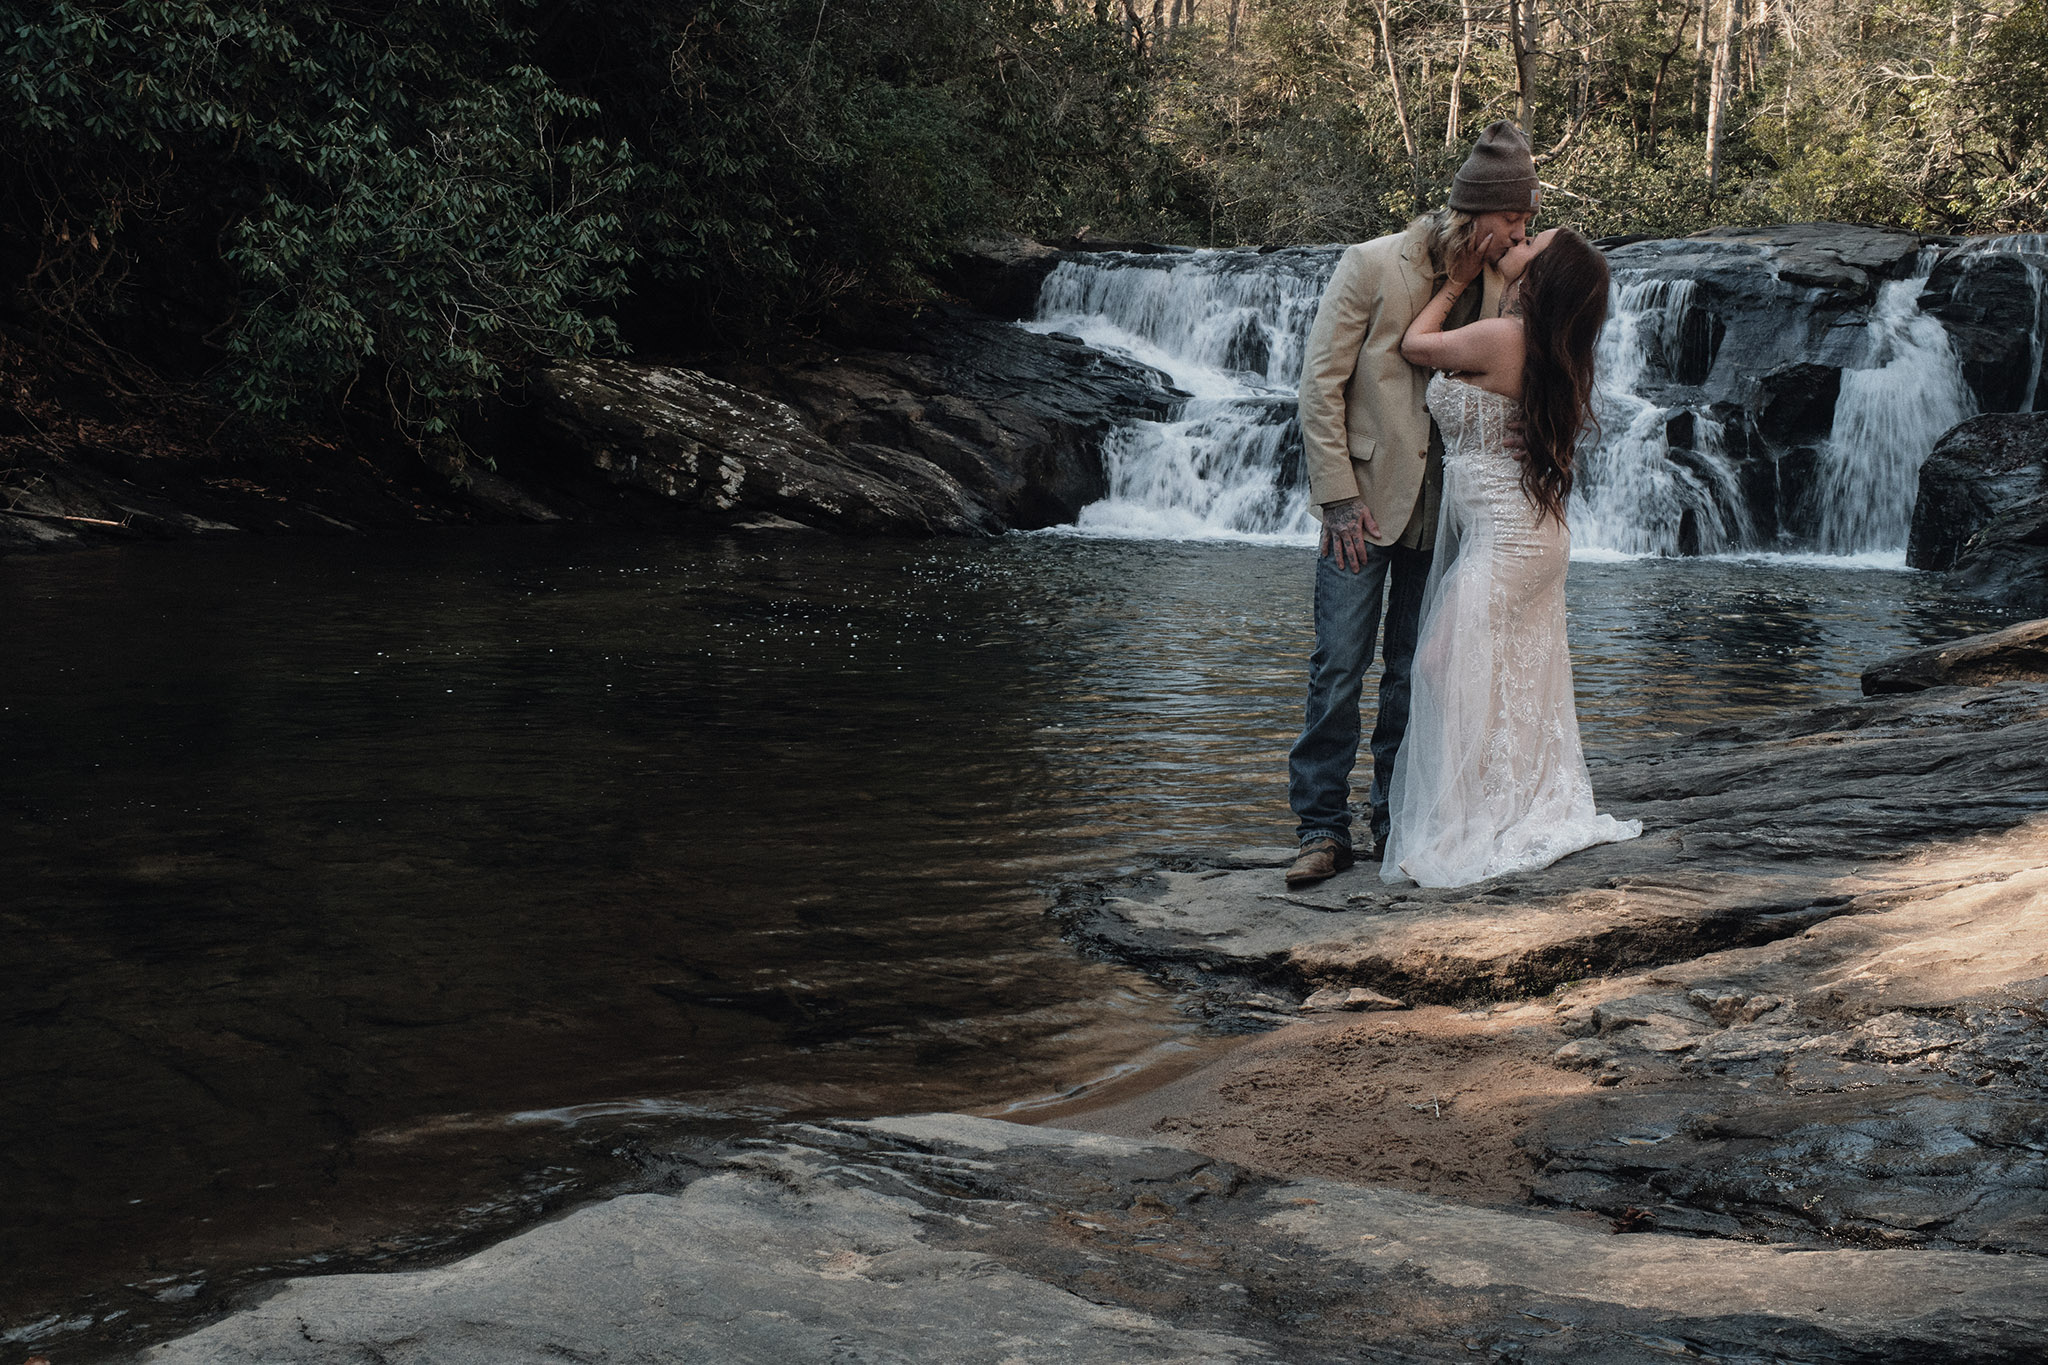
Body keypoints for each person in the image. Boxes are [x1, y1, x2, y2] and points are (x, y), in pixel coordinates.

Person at [1285, 120, 1541, 888]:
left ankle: (1395, 828)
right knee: (1337, 667)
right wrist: (1335, 499)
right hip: (1361, 506)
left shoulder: (1505, 281)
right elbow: (1318, 389)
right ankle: (1321, 831)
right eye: (1513, 220)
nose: (1521, 233)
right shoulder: (1370, 266)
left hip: (1447, 513)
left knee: (1411, 675)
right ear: (1477, 214)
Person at [1379, 227, 1642, 887]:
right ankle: (1507, 805)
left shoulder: (1502, 337)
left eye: (1535, 239)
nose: (1522, 238)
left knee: (1443, 662)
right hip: (1529, 534)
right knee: (1501, 673)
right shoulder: (1551, 347)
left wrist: (1457, 282)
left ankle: (1476, 818)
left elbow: (1413, 345)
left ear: (1543, 272)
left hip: (1510, 534)